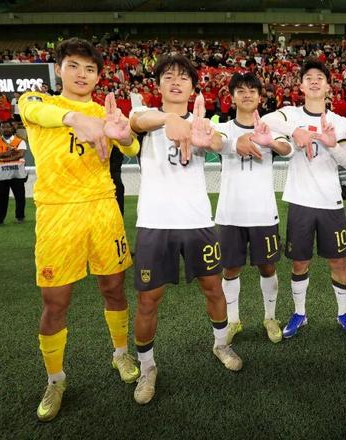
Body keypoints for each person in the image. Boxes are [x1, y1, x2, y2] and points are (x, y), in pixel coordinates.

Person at [19, 37, 141, 422]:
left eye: (90, 69)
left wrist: (123, 135)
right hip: (57, 215)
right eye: (73, 66)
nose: (82, 74)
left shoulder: (106, 112)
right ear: (59, 69)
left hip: (103, 209)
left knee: (114, 287)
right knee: (55, 301)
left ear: (99, 76)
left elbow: (132, 148)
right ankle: (55, 379)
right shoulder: (38, 101)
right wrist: (76, 118)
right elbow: (36, 111)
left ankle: (121, 353)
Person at [129, 54, 242, 406]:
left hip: (198, 223)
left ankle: (221, 345)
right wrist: (170, 119)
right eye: (168, 76)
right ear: (158, 85)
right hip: (155, 224)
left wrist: (208, 138)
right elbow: (136, 120)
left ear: (193, 87)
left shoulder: (202, 122)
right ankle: (147, 368)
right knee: (148, 300)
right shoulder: (147, 115)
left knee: (214, 288)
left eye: (183, 77)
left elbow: (221, 142)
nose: (176, 81)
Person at [261, 58, 346, 338]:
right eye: (309, 77)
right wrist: (295, 130)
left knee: (338, 262)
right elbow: (265, 121)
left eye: (320, 78)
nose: (314, 81)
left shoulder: (338, 121)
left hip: (331, 202)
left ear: (328, 86)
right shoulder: (290, 113)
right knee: (299, 262)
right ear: (301, 86)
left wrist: (331, 144)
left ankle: (343, 313)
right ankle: (300, 313)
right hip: (301, 201)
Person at [214, 73, 293, 344]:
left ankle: (270, 317)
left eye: (252, 91)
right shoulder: (224, 128)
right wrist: (233, 144)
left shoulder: (269, 128)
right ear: (232, 97)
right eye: (241, 91)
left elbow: (288, 149)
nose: (246, 95)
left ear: (260, 97)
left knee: (267, 267)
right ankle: (233, 320)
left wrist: (268, 141)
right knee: (230, 269)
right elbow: (216, 142)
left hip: (263, 212)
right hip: (230, 213)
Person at [0, 121, 27, 227]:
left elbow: (20, 154)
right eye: (3, 127)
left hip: (16, 173)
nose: (5, 129)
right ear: (0, 129)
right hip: (1, 174)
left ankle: (20, 217)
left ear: (12, 128)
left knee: (20, 196)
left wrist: (1, 157)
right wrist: (5, 154)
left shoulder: (20, 141)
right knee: (0, 198)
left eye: (8, 127)